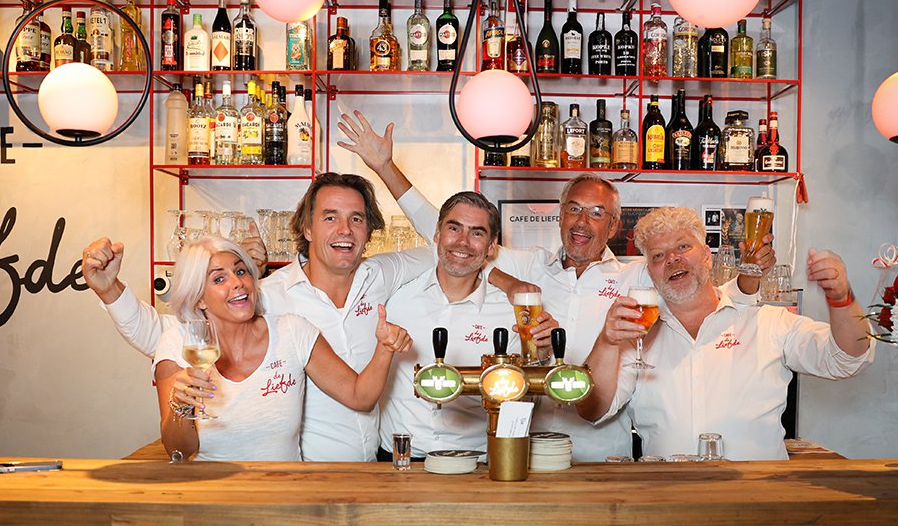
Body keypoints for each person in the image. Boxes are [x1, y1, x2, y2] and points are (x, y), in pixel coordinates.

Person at [337, 112, 774, 461]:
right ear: (559, 215)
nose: (583, 222)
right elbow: (457, 241)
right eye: (574, 210)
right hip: (530, 450)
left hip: (603, 454)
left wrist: (750, 277)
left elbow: (698, 291)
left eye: (597, 213)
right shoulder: (532, 266)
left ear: (614, 225)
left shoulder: (635, 275)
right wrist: (383, 167)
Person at [83, 172, 435, 461]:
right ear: (307, 229)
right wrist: (110, 291)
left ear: (368, 231)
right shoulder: (264, 297)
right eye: (331, 217)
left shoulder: (382, 273)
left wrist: (383, 165)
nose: (345, 229)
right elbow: (167, 333)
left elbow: (448, 246)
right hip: (303, 476)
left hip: (367, 466)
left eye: (356, 219)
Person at [576, 206, 874, 460]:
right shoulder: (636, 339)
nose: (671, 259)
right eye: (657, 255)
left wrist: (841, 297)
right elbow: (594, 411)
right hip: (669, 507)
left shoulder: (768, 322)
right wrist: (606, 341)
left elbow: (847, 359)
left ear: (707, 256)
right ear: (650, 272)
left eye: (683, 247)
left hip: (760, 506)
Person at [155, 236, 411, 461]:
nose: (237, 283)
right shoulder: (178, 343)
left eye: (241, 272)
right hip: (212, 498)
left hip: (287, 497)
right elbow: (178, 450)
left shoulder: (292, 331)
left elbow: (359, 397)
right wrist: (182, 407)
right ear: (198, 296)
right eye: (219, 278)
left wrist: (385, 348)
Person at [378, 191, 553, 459]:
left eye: (477, 233)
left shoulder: (514, 313)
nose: (463, 242)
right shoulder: (395, 294)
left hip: (477, 461)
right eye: (454, 228)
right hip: (400, 458)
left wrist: (542, 356)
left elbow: (525, 399)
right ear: (437, 233)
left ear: (492, 247)